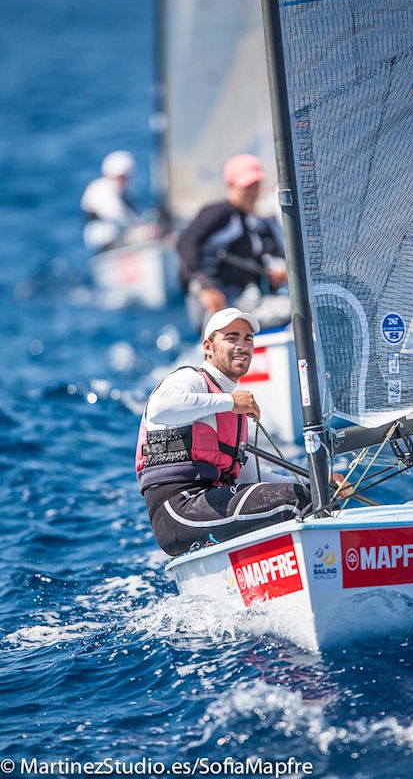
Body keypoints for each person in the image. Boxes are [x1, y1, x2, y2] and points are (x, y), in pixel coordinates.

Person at [135, 308, 348, 556]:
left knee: (316, 497)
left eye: (248, 338)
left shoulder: (234, 413)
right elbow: (160, 408)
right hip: (177, 510)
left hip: (211, 502)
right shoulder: (191, 380)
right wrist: (230, 402)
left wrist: (320, 484)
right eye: (231, 337)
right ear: (208, 347)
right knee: (296, 502)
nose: (242, 345)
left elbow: (251, 477)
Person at [177, 153, 288, 333]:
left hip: (239, 300)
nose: (253, 192)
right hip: (215, 306)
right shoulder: (220, 213)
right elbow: (186, 243)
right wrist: (206, 287)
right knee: (295, 310)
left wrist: (273, 275)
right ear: (230, 186)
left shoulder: (253, 223)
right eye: (247, 186)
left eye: (256, 185)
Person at [81, 151, 159, 252]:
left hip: (118, 238)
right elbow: (116, 214)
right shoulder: (101, 189)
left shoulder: (122, 194)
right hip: (106, 241)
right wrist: (143, 231)